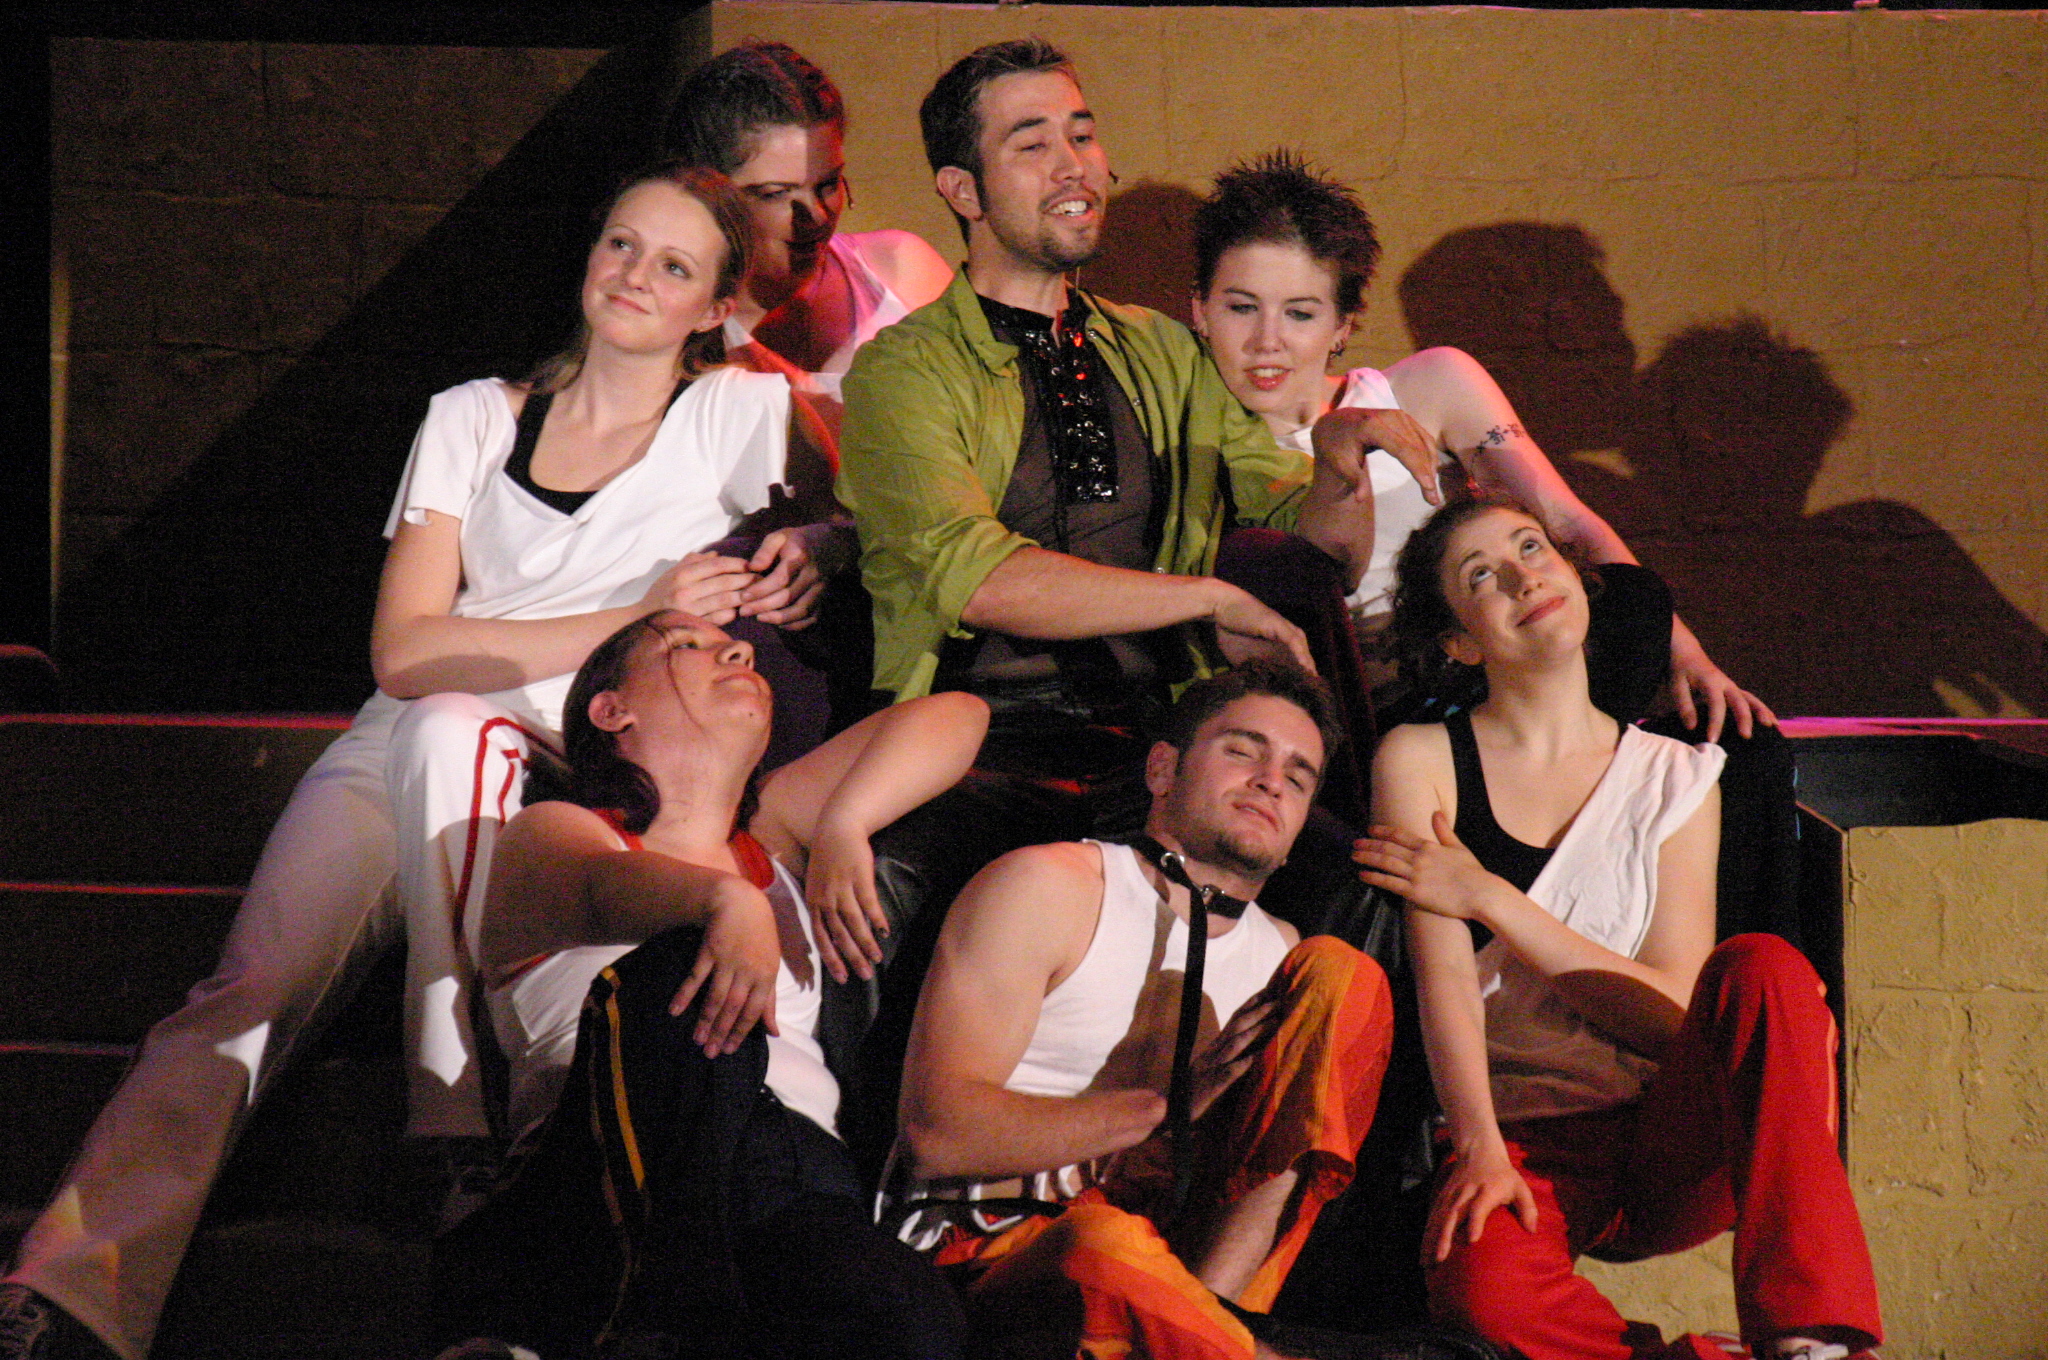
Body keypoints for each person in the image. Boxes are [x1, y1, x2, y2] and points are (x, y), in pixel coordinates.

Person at [0, 162, 836, 1360]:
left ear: (713, 304)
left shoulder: (736, 411)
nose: (632, 276)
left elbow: (866, 511)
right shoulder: (473, 415)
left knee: (458, 727)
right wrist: (636, 607)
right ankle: (70, 1288)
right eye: (618, 243)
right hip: (410, 737)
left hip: (574, 763)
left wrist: (821, 543)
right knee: (247, 987)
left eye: (671, 264)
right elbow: (402, 650)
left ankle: (454, 1109)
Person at [1352, 496, 1881, 1360]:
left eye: (1533, 548)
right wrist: (1479, 1149)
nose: (1523, 577)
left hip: (1671, 1132)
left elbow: (1671, 1019)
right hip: (1524, 1136)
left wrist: (1492, 898)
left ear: (1577, 577)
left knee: (1766, 969)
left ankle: (1810, 1333)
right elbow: (1443, 982)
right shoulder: (1419, 758)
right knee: (1484, 1296)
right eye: (1482, 576)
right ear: (1460, 641)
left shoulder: (1676, 775)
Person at [434, 609, 982, 1357]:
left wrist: (847, 820)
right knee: (679, 968)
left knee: (912, 1318)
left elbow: (959, 714)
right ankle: (645, 1321)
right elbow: (599, 887)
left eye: (735, 645)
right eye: (688, 645)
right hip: (606, 1170)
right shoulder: (555, 830)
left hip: (793, 1177)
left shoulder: (773, 837)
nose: (738, 651)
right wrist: (726, 900)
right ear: (611, 711)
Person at [837, 40, 1393, 763]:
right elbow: (976, 578)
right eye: (1033, 144)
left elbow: (1315, 552)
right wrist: (1206, 597)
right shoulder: (905, 369)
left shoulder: (1161, 351)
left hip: (1159, 739)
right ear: (964, 191)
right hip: (978, 742)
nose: (1073, 165)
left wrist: (1341, 465)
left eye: (1083, 135)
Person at [893, 660, 1397, 1360]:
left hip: (1183, 1264)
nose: (1270, 781)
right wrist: (1161, 1108)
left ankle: (1216, 1322)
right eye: (1243, 750)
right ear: (1162, 769)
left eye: (1298, 775)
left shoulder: (1287, 960)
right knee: (1106, 1246)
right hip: (1002, 1251)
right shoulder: (1053, 886)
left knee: (1348, 974)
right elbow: (936, 1134)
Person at [1191, 151, 1770, 742]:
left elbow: (1563, 518)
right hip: (1338, 718)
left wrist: (1686, 655)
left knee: (1641, 612)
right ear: (1200, 310)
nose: (1267, 341)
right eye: (1242, 307)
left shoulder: (1428, 385)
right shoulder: (1182, 439)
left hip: (1482, 675)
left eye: (1300, 314)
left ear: (1342, 325)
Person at [664, 39, 953, 413]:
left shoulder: (899, 268)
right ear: (709, 191)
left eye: (828, 184)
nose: (815, 215)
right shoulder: (677, 327)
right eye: (776, 193)